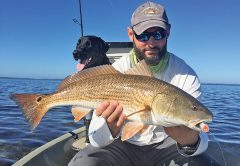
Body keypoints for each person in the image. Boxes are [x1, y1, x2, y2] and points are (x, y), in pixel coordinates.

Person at [69, 2, 220, 166]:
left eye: (158, 34)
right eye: (142, 35)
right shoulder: (116, 70)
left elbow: (202, 143)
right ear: (130, 34)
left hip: (169, 145)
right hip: (121, 145)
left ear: (168, 32)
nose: (151, 43)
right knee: (83, 162)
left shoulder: (186, 75)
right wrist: (110, 128)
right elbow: (95, 140)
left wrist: (189, 141)